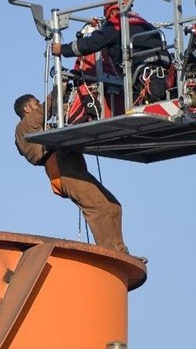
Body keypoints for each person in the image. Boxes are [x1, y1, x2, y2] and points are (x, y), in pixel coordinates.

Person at [13, 93, 141, 260]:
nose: (39, 105)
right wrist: (57, 91)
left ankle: (120, 251)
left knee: (113, 206)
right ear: (27, 109)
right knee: (99, 207)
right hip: (62, 170)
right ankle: (110, 255)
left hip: (74, 170)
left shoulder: (39, 126)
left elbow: (54, 114)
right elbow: (44, 111)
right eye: (36, 103)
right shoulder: (23, 126)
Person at [51, 0, 173, 105]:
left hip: (145, 78)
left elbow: (91, 43)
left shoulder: (117, 22)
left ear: (112, 12)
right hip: (164, 76)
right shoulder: (143, 23)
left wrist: (62, 49)